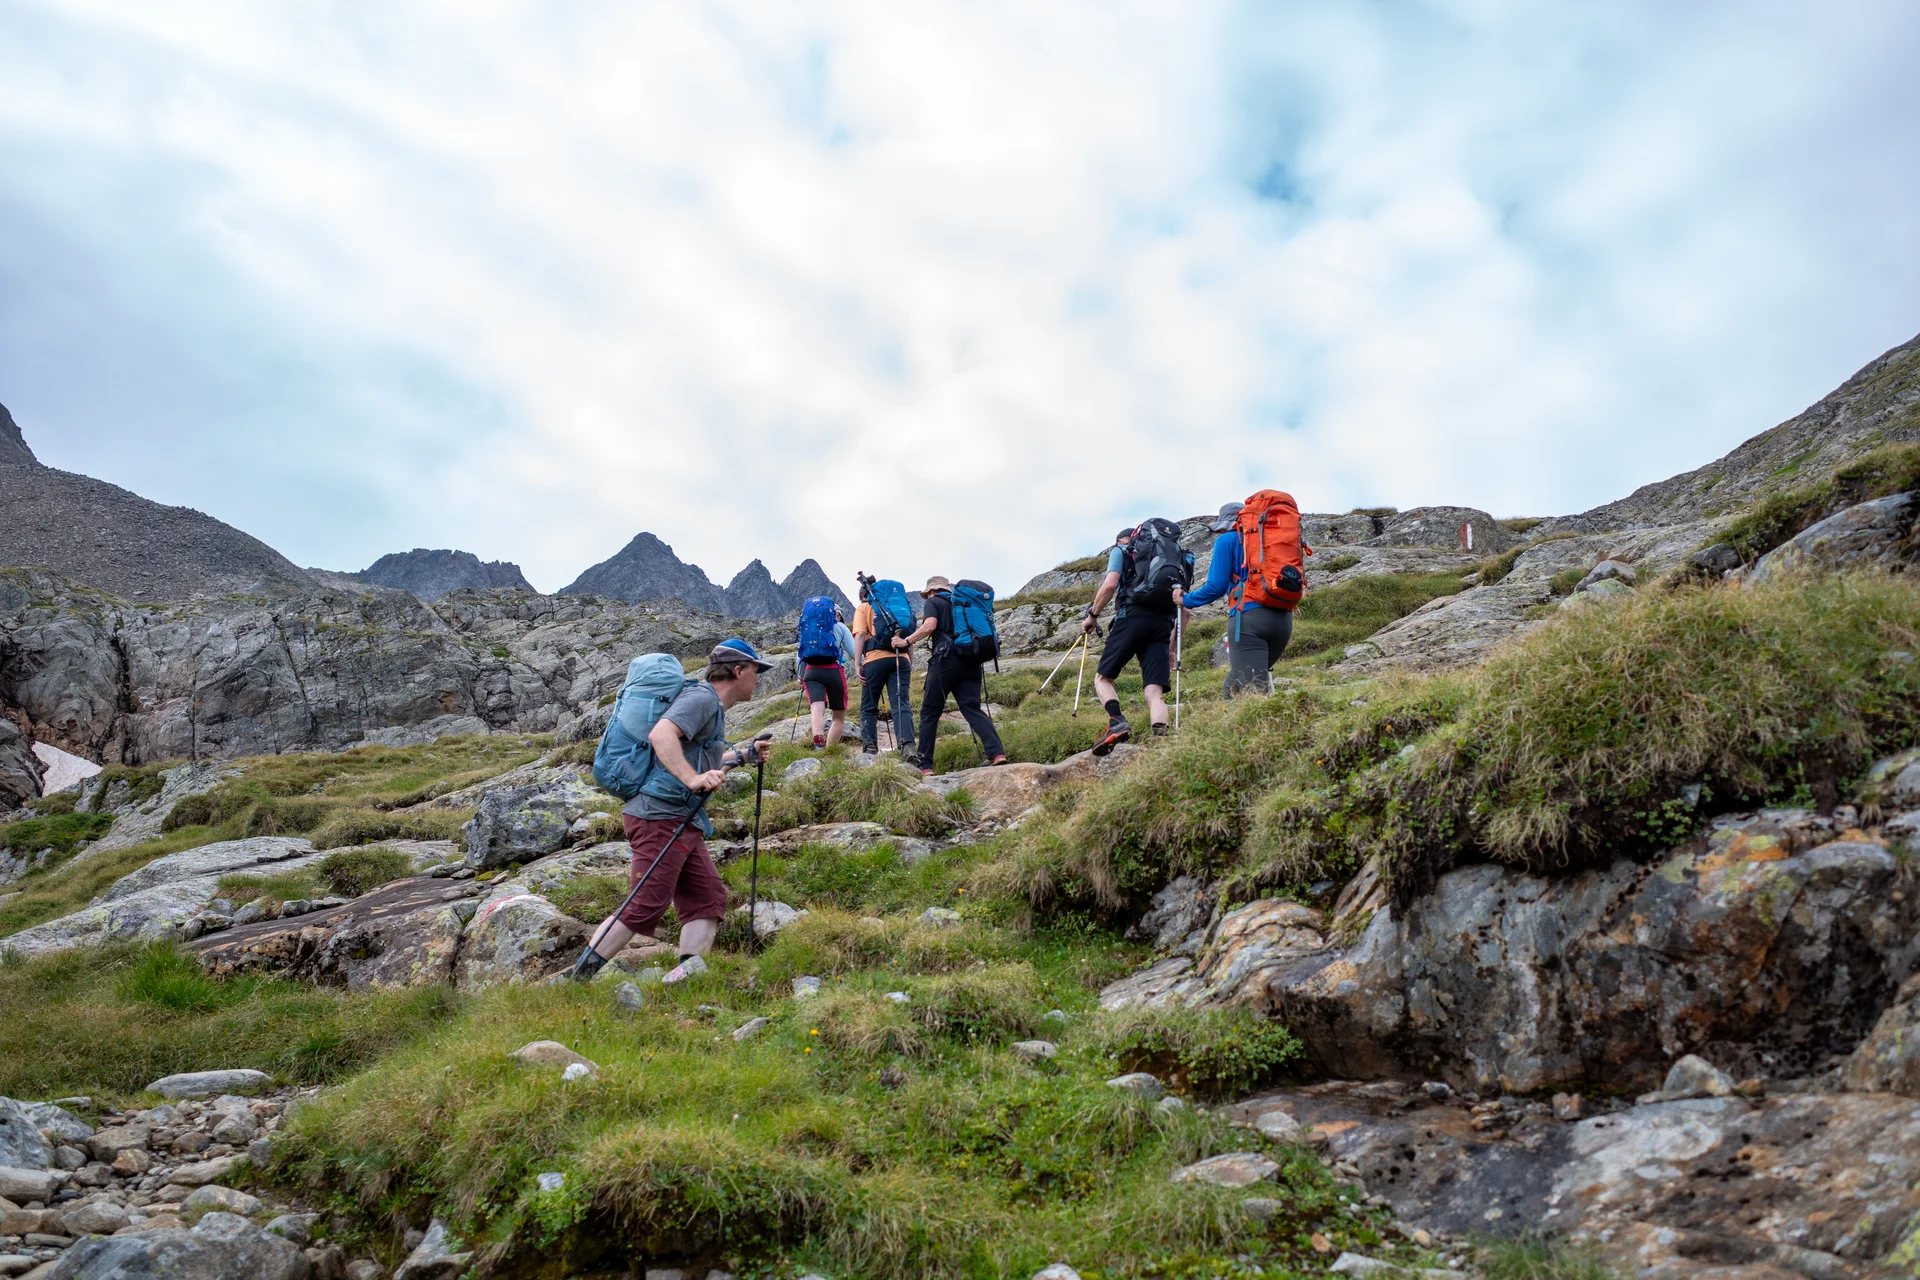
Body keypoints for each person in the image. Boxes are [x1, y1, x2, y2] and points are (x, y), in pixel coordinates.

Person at [568, 639, 775, 985]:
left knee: (706, 898)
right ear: (738, 671)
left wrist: (743, 755)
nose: (758, 678)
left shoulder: (710, 705)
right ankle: (575, 982)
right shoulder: (703, 698)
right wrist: (692, 779)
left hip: (680, 818)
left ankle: (685, 978)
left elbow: (699, 756)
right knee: (644, 904)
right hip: (659, 817)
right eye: (756, 670)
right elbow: (661, 734)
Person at [1081, 524, 1185, 754]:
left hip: (1132, 617)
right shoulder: (1175, 558)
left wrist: (1092, 616)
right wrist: (1172, 649)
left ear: (1122, 540)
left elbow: (1110, 584)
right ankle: (1163, 742)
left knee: (1103, 679)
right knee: (1154, 691)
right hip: (1163, 623)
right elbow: (1184, 610)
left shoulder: (1122, 551)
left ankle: (1117, 721)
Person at [892, 576, 1006, 775]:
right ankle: (996, 753)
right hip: (971, 660)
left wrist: (906, 642)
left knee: (929, 712)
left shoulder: (933, 602)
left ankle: (925, 765)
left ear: (931, 591)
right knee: (971, 707)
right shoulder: (963, 604)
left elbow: (930, 626)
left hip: (945, 660)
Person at [1184, 500, 1293, 696]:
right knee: (1233, 688)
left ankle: (1274, 725)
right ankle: (1229, 725)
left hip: (1248, 619)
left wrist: (1185, 600)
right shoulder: (1272, 540)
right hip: (1283, 619)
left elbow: (1215, 586)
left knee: (1254, 694)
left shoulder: (1227, 540)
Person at [851, 580, 915, 760]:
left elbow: (861, 635)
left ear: (863, 596)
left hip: (874, 659)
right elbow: (908, 634)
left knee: (869, 706)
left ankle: (870, 748)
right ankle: (908, 747)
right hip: (900, 657)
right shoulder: (895, 606)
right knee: (901, 703)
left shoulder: (864, 608)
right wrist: (909, 659)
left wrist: (857, 663)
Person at [799, 606, 857, 750]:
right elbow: (853, 652)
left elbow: (800, 655)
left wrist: (801, 676)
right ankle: (830, 749)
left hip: (811, 671)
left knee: (817, 708)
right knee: (838, 716)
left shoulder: (809, 627)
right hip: (834, 671)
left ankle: (818, 745)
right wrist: (864, 663)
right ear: (838, 615)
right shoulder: (841, 627)